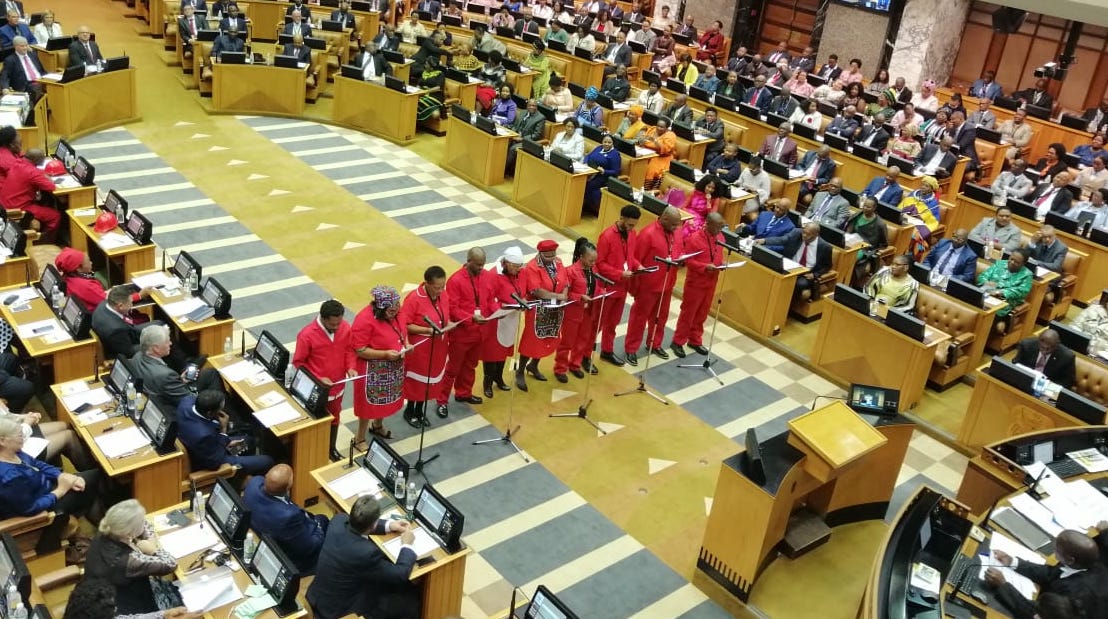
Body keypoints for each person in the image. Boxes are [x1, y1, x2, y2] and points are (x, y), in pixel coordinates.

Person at [0, 416, 100, 554]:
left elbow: (36, 464)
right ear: (2, 441)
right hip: (43, 510)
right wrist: (61, 490)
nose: (23, 436)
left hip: (47, 488)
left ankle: (99, 518)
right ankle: (104, 523)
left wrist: (60, 475)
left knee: (89, 482)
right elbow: (30, 508)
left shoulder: (13, 450)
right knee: (98, 477)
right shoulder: (9, 477)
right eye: (18, 434)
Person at [307, 495, 417, 619]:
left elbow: (356, 524)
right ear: (373, 525)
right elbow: (400, 574)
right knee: (409, 601)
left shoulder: (338, 521)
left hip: (318, 597)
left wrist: (389, 525)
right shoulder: (367, 553)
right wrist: (407, 545)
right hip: (340, 611)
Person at [985, 528, 1107, 619]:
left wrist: (1003, 585)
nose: (1053, 550)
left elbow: (1035, 613)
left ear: (1070, 559)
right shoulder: (1089, 564)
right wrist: (1013, 562)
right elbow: (1051, 573)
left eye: (1056, 549)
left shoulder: (1074, 596)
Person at [84, 501, 175, 616]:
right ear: (128, 534)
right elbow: (170, 564)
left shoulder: (107, 531)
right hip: (123, 610)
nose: (144, 521)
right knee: (180, 600)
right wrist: (153, 550)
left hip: (98, 596)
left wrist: (150, 539)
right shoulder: (128, 561)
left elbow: (145, 523)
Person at [293, 300, 355, 462]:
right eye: (333, 324)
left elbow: (349, 350)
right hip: (316, 390)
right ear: (323, 318)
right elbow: (298, 363)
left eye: (339, 323)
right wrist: (318, 378)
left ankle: (331, 449)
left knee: (335, 417)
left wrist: (351, 367)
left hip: (337, 386)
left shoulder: (345, 328)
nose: (337, 327)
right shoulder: (306, 335)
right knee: (314, 421)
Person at [243, 464, 328, 575]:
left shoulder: (253, 483)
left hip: (263, 530)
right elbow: (309, 547)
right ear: (289, 485)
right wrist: (318, 527)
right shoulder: (289, 517)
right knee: (325, 520)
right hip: (290, 557)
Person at [624, 207, 684, 365]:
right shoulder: (647, 234)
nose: (676, 228)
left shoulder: (676, 232)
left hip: (667, 283)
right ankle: (631, 348)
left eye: (677, 225)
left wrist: (681, 260)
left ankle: (654, 344)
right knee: (639, 318)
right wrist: (635, 286)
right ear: (664, 219)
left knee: (661, 317)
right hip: (648, 285)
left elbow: (679, 251)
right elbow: (635, 259)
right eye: (673, 224)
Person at [437, 248, 489, 416]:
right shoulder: (455, 280)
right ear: (468, 261)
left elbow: (489, 299)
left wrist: (496, 312)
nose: (481, 268)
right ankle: (441, 401)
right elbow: (452, 308)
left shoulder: (486, 276)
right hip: (461, 333)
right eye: (478, 264)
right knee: (452, 369)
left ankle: (463, 393)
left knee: (470, 365)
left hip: (479, 332)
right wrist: (471, 318)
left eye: (483, 264)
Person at [399, 267, 453, 428]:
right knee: (417, 383)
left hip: (438, 348)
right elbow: (405, 325)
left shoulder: (443, 295)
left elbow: (445, 315)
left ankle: (420, 410)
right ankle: (410, 411)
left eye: (443, 286)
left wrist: (449, 324)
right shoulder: (414, 299)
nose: (441, 290)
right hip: (420, 350)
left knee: (430, 381)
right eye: (437, 287)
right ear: (427, 284)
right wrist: (428, 330)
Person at [351, 285, 407, 439]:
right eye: (390, 308)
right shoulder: (364, 319)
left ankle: (377, 425)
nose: (395, 310)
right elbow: (360, 350)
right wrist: (385, 354)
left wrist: (406, 344)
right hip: (372, 370)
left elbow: (403, 331)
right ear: (380, 307)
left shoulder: (398, 312)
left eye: (397, 305)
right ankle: (359, 438)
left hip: (393, 366)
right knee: (368, 406)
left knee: (385, 401)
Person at [177, 389, 274, 475]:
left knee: (249, 441)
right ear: (209, 413)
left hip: (209, 445)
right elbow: (214, 463)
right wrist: (224, 430)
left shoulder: (186, 402)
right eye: (220, 410)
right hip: (214, 459)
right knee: (267, 461)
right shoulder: (203, 435)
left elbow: (211, 439)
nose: (222, 411)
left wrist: (226, 442)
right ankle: (241, 478)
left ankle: (246, 469)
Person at [671, 212, 726, 358]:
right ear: (708, 224)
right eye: (718, 227)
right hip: (696, 282)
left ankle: (695, 340)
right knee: (688, 313)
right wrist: (704, 267)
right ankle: (678, 341)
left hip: (711, 281)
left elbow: (718, 255)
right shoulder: (694, 239)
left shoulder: (720, 237)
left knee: (702, 312)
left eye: (721, 227)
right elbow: (688, 261)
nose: (720, 230)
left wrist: (721, 263)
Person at [515, 240, 568, 389]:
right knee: (531, 340)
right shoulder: (532, 267)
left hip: (555, 308)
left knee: (547, 338)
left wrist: (564, 294)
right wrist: (558, 296)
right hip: (537, 309)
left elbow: (566, 281)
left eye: (553, 255)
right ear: (540, 253)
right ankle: (520, 370)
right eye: (548, 255)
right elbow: (537, 291)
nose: (552, 258)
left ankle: (533, 365)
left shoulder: (559, 262)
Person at [131, 325, 221, 411]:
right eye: (167, 341)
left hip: (164, 391)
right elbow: (189, 400)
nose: (170, 343)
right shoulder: (166, 375)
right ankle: (217, 410)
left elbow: (164, 385)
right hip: (175, 406)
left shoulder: (137, 357)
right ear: (156, 348)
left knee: (210, 373)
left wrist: (180, 380)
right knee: (213, 380)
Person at [553, 239, 605, 381]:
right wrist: (579, 296)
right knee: (567, 341)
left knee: (583, 339)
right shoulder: (570, 271)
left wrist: (601, 292)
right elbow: (565, 293)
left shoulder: (593, 270)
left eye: (595, 260)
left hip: (588, 310)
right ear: (581, 257)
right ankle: (560, 368)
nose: (593, 263)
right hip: (573, 311)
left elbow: (594, 287)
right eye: (590, 260)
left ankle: (575, 364)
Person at [596, 206, 641, 367]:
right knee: (597, 323)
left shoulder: (632, 234)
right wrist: (619, 273)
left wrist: (638, 265)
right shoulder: (607, 236)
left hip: (622, 287)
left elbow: (630, 257)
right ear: (622, 219)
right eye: (629, 224)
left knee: (613, 322)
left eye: (634, 225)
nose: (631, 228)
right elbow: (599, 263)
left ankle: (607, 351)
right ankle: (584, 353)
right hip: (607, 287)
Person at [479, 247, 526, 396]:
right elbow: (487, 298)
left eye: (519, 266)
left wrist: (523, 301)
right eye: (515, 266)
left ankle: (498, 378)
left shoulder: (519, 273)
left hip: (511, 318)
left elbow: (522, 290)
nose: (518, 270)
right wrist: (500, 308)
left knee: (505, 350)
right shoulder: (493, 275)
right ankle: (487, 382)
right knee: (492, 353)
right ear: (506, 263)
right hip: (496, 319)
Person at [56, 248, 151, 314]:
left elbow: (97, 296)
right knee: (143, 317)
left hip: (96, 308)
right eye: (88, 261)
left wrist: (108, 292)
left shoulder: (68, 277)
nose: (91, 263)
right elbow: (112, 302)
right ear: (78, 268)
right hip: (101, 315)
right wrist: (139, 295)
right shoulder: (85, 286)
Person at [759, 222, 832, 301]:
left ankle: (784, 303)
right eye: (803, 232)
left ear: (816, 235)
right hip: (789, 267)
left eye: (808, 234)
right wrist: (764, 241)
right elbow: (782, 240)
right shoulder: (796, 233)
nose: (804, 235)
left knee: (799, 284)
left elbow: (827, 266)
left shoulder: (825, 247)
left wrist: (814, 275)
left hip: (805, 274)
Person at [0, 145, 59, 241]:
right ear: (36, 160)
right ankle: (45, 240)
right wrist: (46, 177)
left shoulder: (16, 163)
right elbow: (51, 187)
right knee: (55, 216)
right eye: (42, 159)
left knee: (42, 202)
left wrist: (41, 174)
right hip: (18, 208)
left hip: (4, 203)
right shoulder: (33, 172)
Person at [92, 286, 163, 363]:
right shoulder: (116, 330)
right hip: (124, 348)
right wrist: (157, 345)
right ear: (120, 306)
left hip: (127, 332)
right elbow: (129, 352)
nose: (132, 305)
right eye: (130, 303)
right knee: (163, 341)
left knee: (160, 324)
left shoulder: (104, 304)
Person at [978, 247, 1033, 318]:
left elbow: (1022, 291)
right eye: (1011, 259)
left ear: (1023, 263)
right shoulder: (999, 263)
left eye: (1016, 262)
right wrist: (986, 282)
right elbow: (982, 276)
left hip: (1005, 303)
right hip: (986, 294)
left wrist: (1000, 292)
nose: (1012, 262)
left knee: (987, 312)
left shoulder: (1027, 275)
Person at [845, 197, 889, 284]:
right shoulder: (857, 215)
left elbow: (884, 243)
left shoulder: (880, 224)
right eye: (864, 205)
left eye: (868, 207)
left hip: (864, 249)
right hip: (850, 242)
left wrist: (873, 250)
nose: (865, 208)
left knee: (851, 258)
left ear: (874, 208)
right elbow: (848, 230)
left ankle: (848, 282)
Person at [899, 176, 943, 260]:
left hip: (918, 224)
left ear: (932, 189)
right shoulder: (913, 194)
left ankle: (907, 256)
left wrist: (916, 219)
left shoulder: (934, 203)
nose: (923, 187)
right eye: (922, 184)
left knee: (913, 235)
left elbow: (933, 221)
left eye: (926, 186)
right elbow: (901, 207)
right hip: (904, 218)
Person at [505, 98, 546, 175]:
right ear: (527, 106)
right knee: (503, 143)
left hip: (528, 142)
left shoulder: (540, 118)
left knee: (513, 148)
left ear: (536, 107)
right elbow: (515, 125)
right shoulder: (523, 112)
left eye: (534, 106)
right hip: (515, 136)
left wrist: (522, 139)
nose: (531, 107)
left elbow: (537, 135)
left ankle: (503, 170)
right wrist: (513, 134)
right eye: (530, 105)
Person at [583, 135, 621, 213]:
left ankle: (592, 208)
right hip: (590, 172)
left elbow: (615, 171)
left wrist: (604, 171)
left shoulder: (615, 154)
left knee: (589, 185)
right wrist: (585, 162)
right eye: (605, 142)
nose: (606, 144)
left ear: (613, 143)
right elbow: (588, 156)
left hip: (603, 177)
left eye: (609, 142)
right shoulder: (599, 148)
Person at [641, 117, 676, 189]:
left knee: (651, 168)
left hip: (661, 157)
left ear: (667, 128)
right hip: (646, 152)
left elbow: (665, 149)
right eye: (658, 126)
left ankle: (646, 188)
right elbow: (644, 139)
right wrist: (643, 140)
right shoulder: (653, 129)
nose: (658, 128)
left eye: (662, 127)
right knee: (638, 162)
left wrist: (655, 141)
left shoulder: (671, 135)